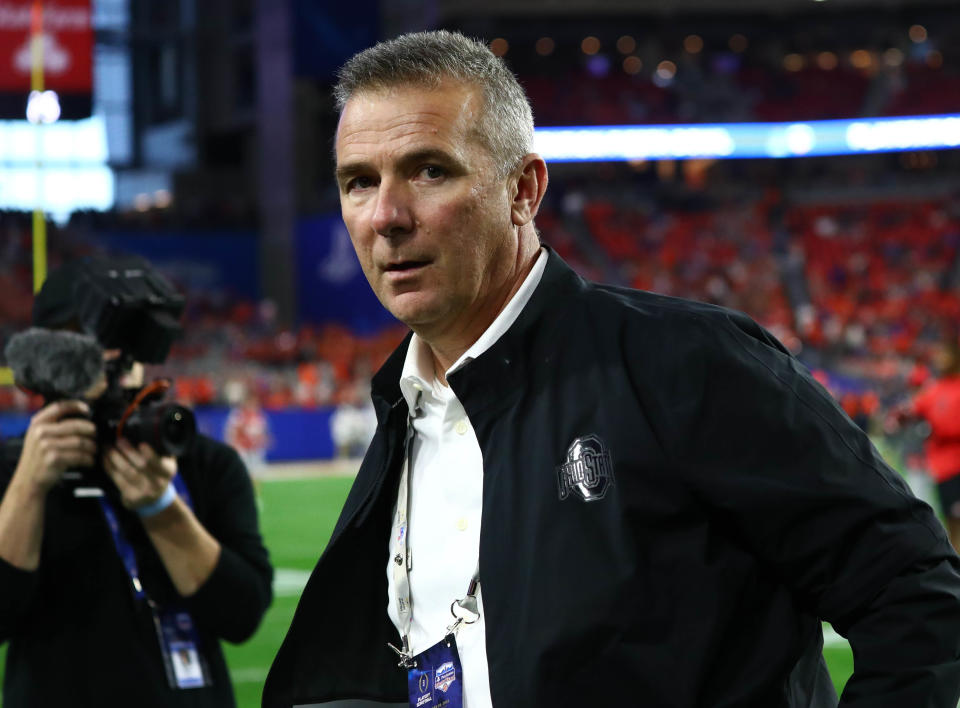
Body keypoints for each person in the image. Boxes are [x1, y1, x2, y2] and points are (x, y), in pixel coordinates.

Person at [263, 30, 960, 708]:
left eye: (430, 170)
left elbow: (915, 591)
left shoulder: (687, 363)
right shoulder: (402, 411)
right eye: (359, 182)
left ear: (523, 191)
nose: (386, 215)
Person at [0, 261, 273, 708]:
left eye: (130, 354)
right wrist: (29, 487)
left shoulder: (203, 461)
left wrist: (163, 509)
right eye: (100, 355)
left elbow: (242, 615)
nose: (118, 374)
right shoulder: (12, 469)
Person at [908, 334, 960, 552]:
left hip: (954, 467)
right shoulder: (933, 390)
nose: (939, 359)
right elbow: (910, 410)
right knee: (952, 522)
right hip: (945, 470)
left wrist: (937, 428)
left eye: (944, 355)